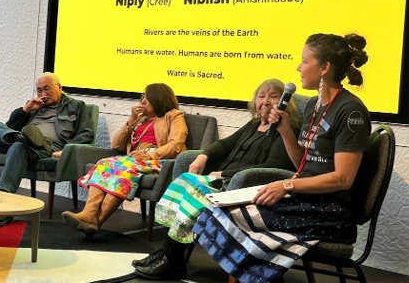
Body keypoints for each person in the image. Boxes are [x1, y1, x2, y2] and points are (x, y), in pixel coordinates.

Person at [135, 33, 371, 282]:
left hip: (329, 211)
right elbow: (302, 163)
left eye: (304, 61)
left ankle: (252, 276)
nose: (298, 68)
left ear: (324, 68)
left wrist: (287, 185)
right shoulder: (315, 106)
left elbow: (343, 179)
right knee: (215, 208)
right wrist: (286, 132)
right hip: (304, 198)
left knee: (224, 216)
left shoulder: (350, 110)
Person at [132, 79, 299, 279]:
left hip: (243, 188)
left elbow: (272, 167)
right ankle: (167, 253)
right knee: (186, 180)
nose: (265, 102)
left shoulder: (287, 130)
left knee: (195, 189)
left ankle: (172, 259)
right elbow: (225, 144)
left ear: (284, 102)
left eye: (273, 97)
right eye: (261, 96)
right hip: (223, 182)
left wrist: (224, 174)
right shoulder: (254, 124)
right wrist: (204, 156)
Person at [62, 83, 188, 238]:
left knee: (124, 169)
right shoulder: (140, 120)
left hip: (159, 161)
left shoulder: (174, 115)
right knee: (104, 163)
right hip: (134, 161)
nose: (143, 102)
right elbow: (117, 145)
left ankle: (96, 221)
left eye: (147, 98)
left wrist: (149, 155)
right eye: (143, 98)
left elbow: (176, 144)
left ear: (158, 99)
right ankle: (89, 213)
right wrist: (131, 120)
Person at [0, 72, 94, 227]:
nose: (43, 94)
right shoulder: (34, 106)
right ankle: (19, 137)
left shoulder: (76, 106)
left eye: (47, 88)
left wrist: (67, 150)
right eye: (39, 90)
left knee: (19, 146)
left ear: (59, 88)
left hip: (49, 147)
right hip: (23, 142)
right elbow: (9, 127)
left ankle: (3, 207)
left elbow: (87, 133)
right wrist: (26, 109)